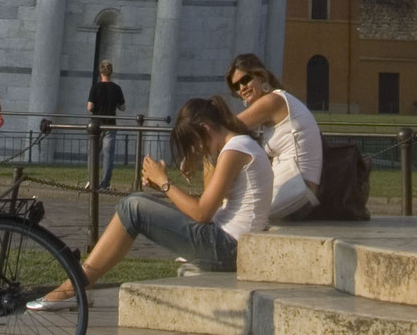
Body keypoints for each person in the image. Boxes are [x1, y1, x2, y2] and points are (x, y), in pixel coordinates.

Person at [34, 96, 272, 303]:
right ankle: (77, 282)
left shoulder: (235, 150)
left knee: (133, 207)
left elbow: (202, 213)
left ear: (206, 130)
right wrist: (165, 182)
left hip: (228, 247)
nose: (197, 151)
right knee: (136, 201)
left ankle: (73, 286)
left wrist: (164, 182)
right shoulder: (240, 145)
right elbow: (205, 206)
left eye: (194, 144)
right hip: (226, 242)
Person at [226, 53, 322, 221]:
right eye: (236, 86)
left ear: (261, 75)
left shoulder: (273, 101)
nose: (242, 88)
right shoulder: (275, 106)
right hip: (294, 187)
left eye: (246, 79)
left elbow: (224, 128)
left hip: (298, 190)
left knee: (228, 214)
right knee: (226, 206)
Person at [85, 60, 125, 191]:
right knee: (108, 155)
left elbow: (90, 107)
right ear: (111, 72)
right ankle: (105, 183)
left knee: (93, 153)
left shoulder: (95, 87)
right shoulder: (117, 88)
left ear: (100, 72)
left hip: (96, 126)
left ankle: (92, 180)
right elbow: (123, 107)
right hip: (110, 124)